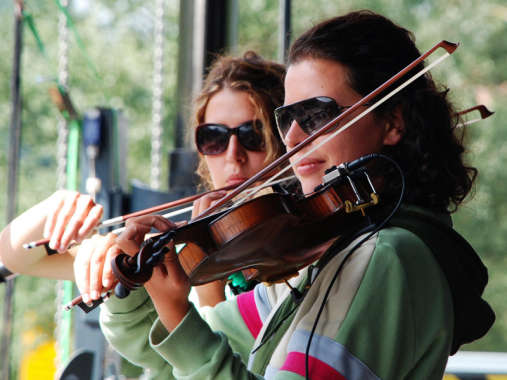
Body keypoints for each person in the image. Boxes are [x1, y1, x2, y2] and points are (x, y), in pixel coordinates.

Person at [96, 10, 494, 380]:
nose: (293, 139)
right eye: (287, 118)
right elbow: (170, 362)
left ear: (391, 122)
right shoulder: (327, 256)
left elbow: (193, 349)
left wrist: (180, 315)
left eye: (317, 115)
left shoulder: (386, 258)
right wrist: (131, 292)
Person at [0, 51, 286, 309]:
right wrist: (56, 205)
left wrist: (209, 283)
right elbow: (16, 257)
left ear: (285, 138)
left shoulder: (305, 246)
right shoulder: (179, 250)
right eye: (215, 138)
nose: (233, 155)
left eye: (254, 135)